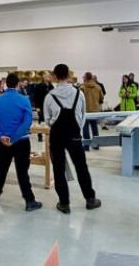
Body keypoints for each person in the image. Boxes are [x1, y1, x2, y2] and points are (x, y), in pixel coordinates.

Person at [44, 64, 101, 213]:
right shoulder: (78, 93)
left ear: (54, 77)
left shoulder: (50, 96)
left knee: (58, 168)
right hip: (74, 135)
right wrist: (77, 130)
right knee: (81, 167)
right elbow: (83, 115)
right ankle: (90, 199)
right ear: (68, 75)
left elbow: (47, 119)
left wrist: (56, 125)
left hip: (56, 136)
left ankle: (64, 203)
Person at [0, 73, 42, 212]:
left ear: (6, 84)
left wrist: (1, 136)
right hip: (21, 141)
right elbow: (27, 121)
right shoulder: (24, 100)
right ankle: (29, 201)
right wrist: (14, 137)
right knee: (22, 172)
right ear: (18, 84)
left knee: (1, 170)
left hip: (3, 142)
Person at [80, 72, 103, 151]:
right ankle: (96, 145)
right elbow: (101, 98)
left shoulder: (82, 87)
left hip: (85, 111)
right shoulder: (98, 87)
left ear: (85, 78)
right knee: (95, 128)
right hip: (95, 111)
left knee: (85, 128)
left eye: (83, 77)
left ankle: (86, 146)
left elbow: (79, 99)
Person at [34, 72, 54, 142]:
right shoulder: (39, 86)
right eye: (48, 76)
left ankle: (50, 134)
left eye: (50, 77)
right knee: (41, 121)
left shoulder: (51, 86)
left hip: (49, 107)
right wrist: (37, 107)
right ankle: (39, 135)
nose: (49, 78)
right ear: (44, 77)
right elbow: (36, 97)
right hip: (41, 106)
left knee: (50, 121)